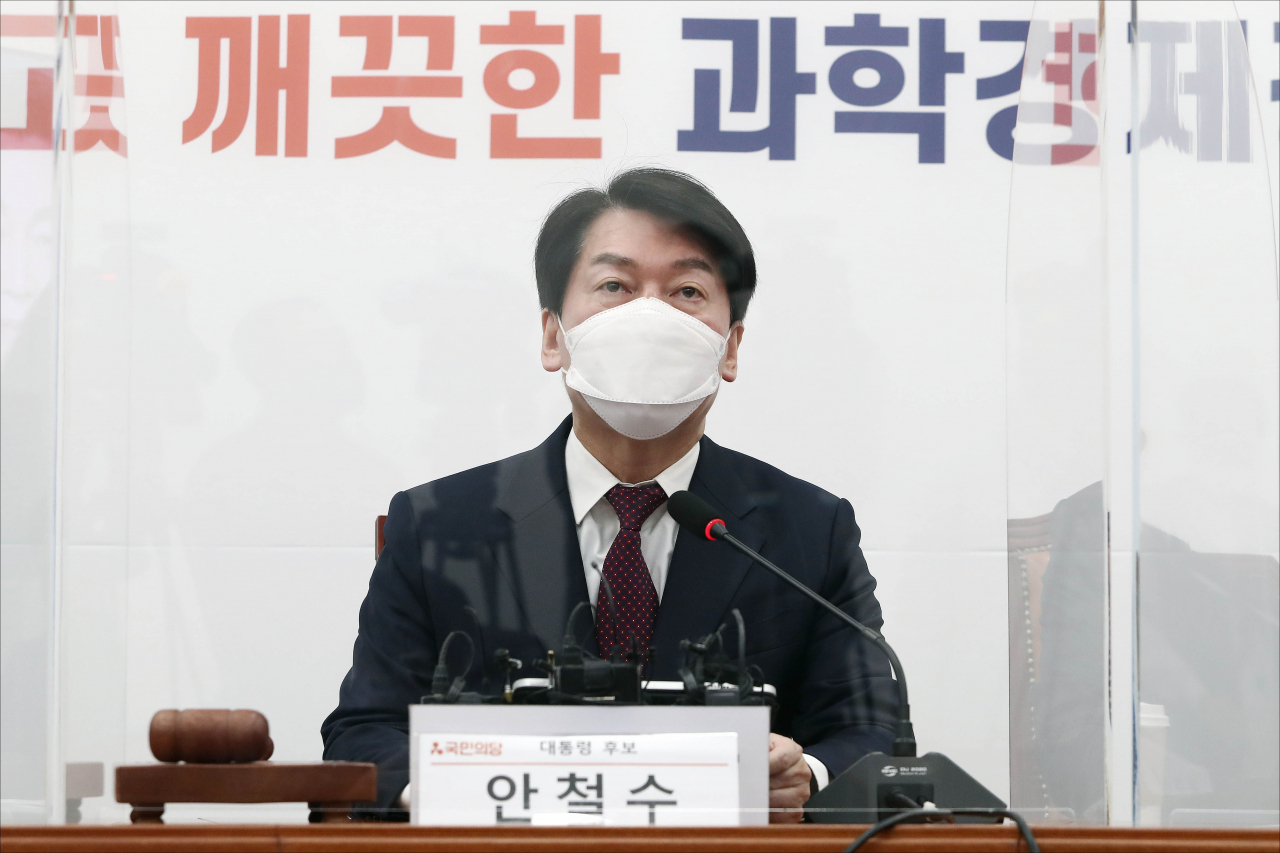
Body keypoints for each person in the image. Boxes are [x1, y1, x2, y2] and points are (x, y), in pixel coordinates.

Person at [322, 168, 898, 822]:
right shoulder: (438, 523)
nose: (647, 316)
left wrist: (806, 776)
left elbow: (870, 733)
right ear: (552, 335)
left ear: (730, 346)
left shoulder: (807, 528)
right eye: (615, 286)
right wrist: (466, 786)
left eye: (686, 289)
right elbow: (362, 733)